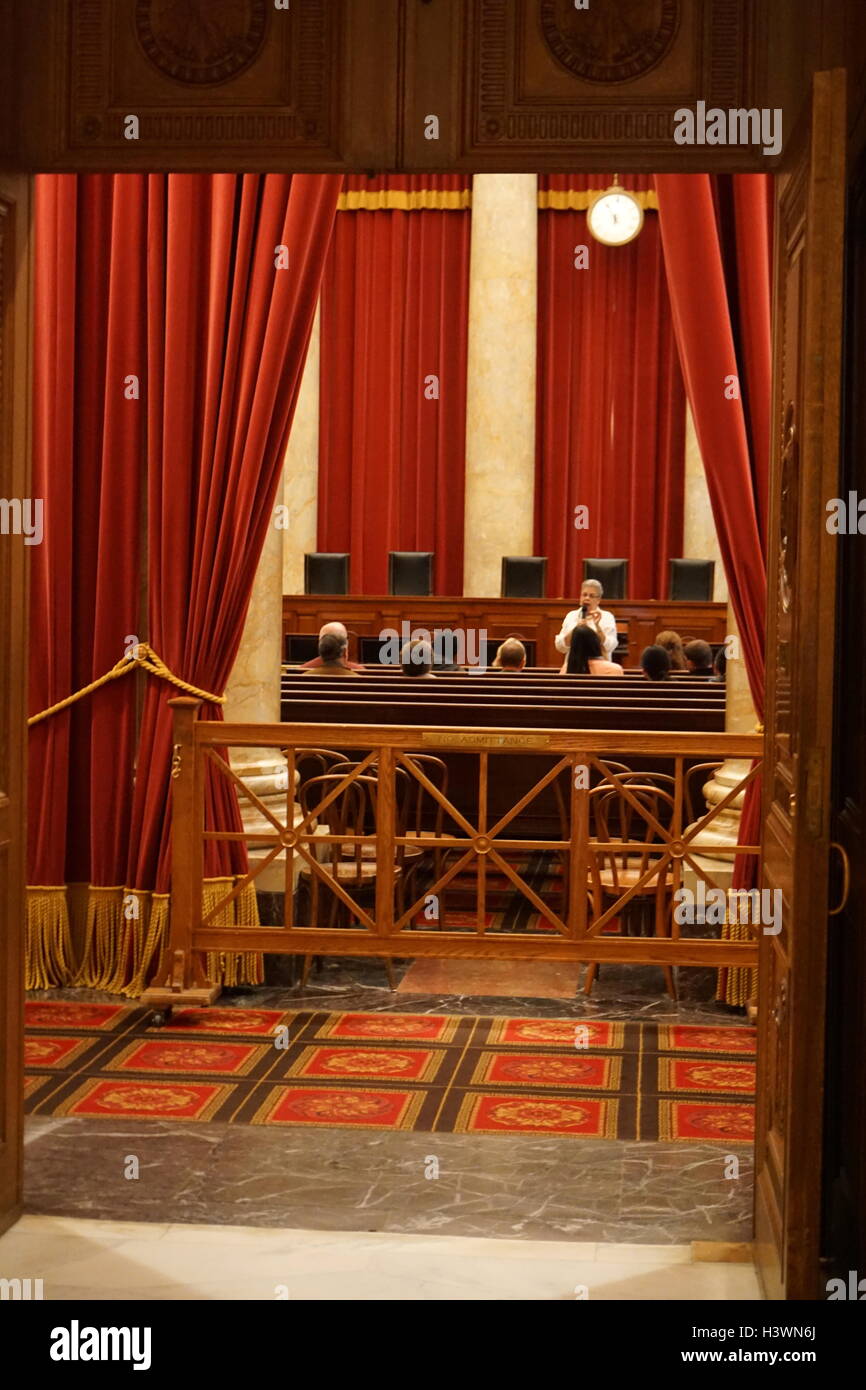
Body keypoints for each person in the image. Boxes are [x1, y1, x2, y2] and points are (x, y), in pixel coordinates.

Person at [554, 580, 618, 661]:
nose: (587, 598)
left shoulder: (607, 617)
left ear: (598, 600)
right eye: (584, 595)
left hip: (600, 667)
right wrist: (576, 629)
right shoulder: (571, 616)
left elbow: (610, 647)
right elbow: (560, 647)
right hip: (574, 666)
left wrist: (598, 627)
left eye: (591, 596)